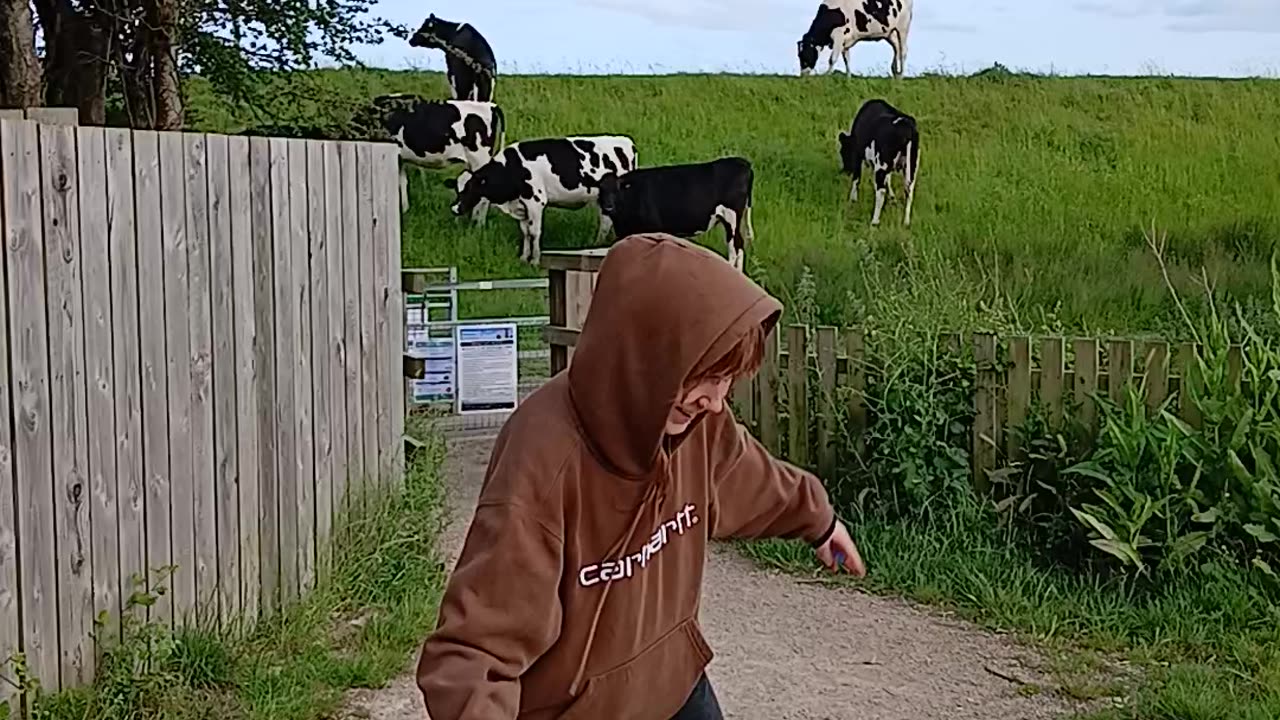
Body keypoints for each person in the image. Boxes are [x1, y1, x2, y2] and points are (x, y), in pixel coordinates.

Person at [416, 233, 866, 720]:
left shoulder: (698, 424)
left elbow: (744, 475)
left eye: (726, 383)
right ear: (646, 355)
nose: (716, 402)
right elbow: (475, 654)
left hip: (676, 685)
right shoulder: (542, 459)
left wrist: (818, 519)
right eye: (707, 378)